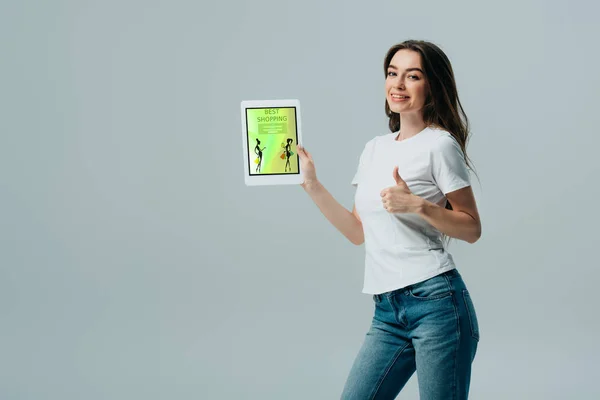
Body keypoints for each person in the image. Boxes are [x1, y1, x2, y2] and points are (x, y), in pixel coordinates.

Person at [297, 40, 482, 399]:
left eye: (412, 75)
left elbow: (472, 227)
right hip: (387, 311)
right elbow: (356, 232)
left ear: (431, 86)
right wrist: (313, 185)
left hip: (437, 305)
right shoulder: (374, 149)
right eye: (392, 73)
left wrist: (418, 205)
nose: (398, 84)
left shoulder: (440, 145)